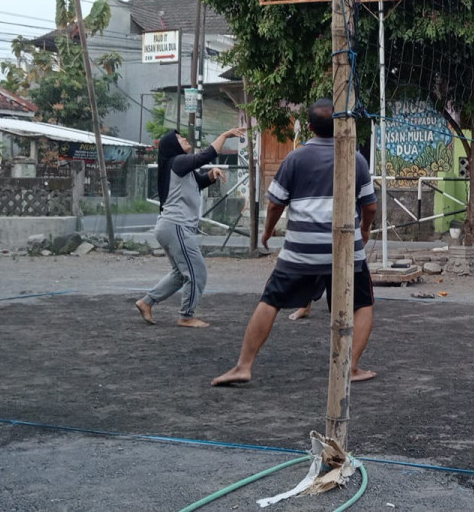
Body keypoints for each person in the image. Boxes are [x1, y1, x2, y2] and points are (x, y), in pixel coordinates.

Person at [212, 99, 378, 386]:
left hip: (301, 250)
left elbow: (275, 203)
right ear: (341, 124)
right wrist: (363, 229)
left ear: (310, 127)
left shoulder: (294, 158)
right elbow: (370, 206)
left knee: (271, 300)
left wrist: (268, 232)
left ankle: (243, 365)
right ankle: (349, 369)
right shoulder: (355, 157)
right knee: (362, 304)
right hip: (345, 250)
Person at [135, 126, 246, 328]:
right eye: (180, 138)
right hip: (175, 226)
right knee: (197, 272)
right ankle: (186, 316)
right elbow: (205, 155)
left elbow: (200, 181)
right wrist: (223, 135)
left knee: (180, 274)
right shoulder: (177, 162)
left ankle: (146, 302)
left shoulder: (179, 167)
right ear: (172, 146)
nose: (185, 139)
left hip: (170, 226)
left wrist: (212, 174)